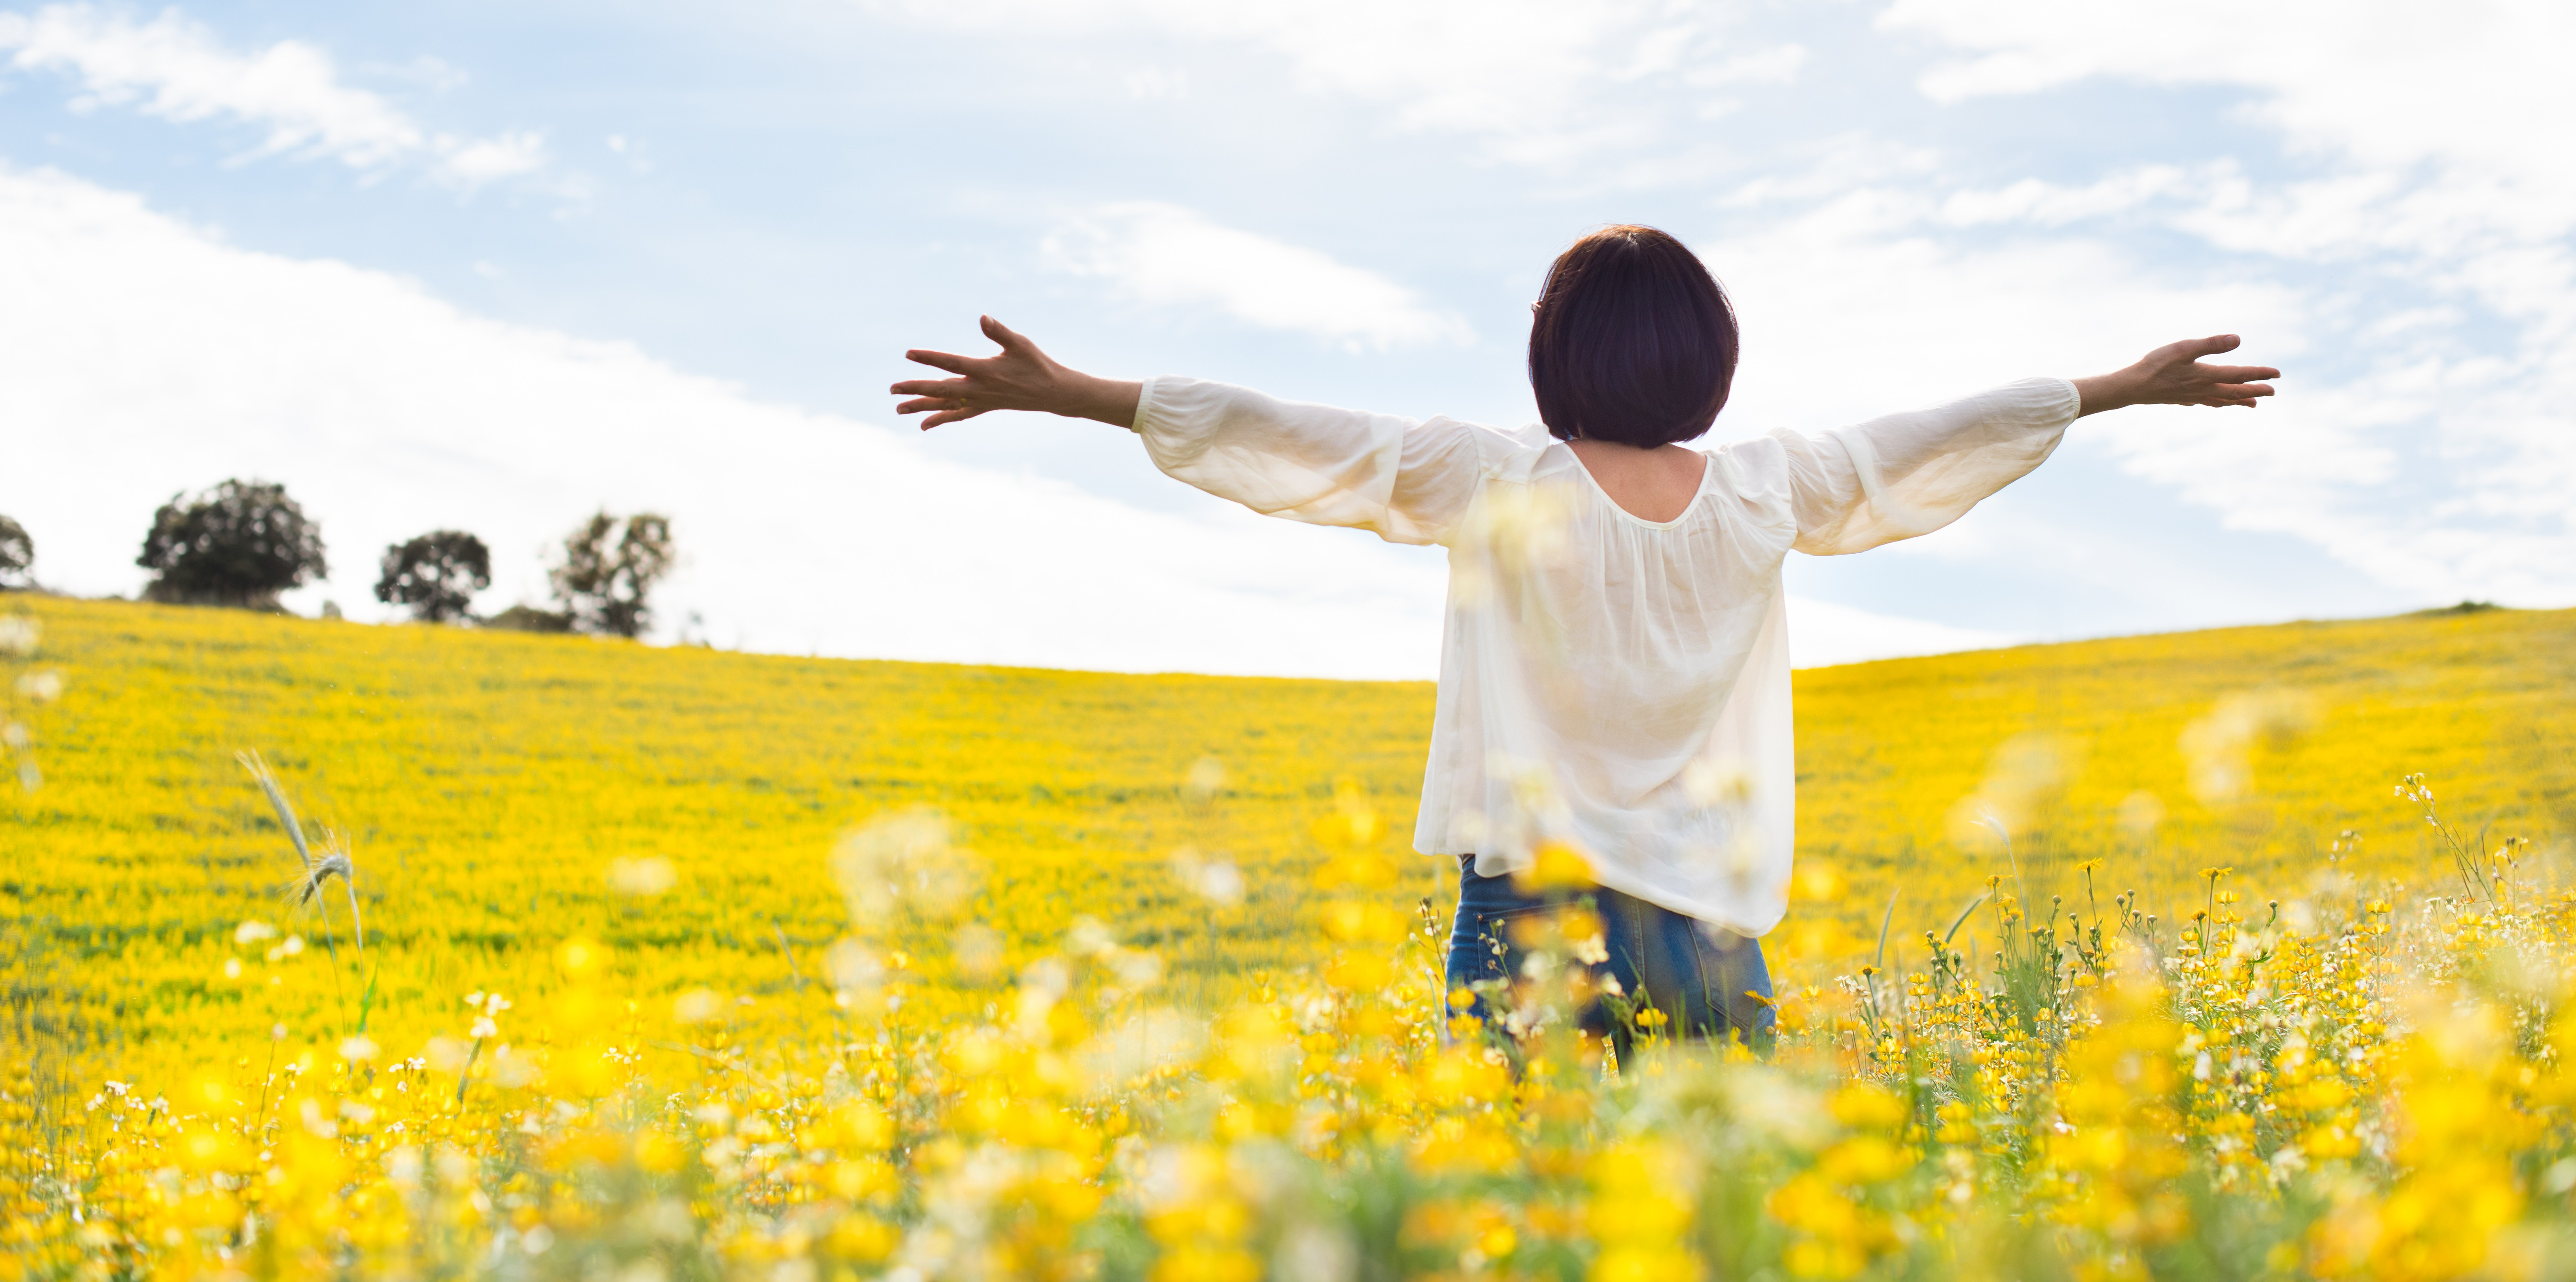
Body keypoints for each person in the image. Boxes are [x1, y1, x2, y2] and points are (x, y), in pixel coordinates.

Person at [890, 224, 2276, 1055]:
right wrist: (2114, 390)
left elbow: (1291, 436)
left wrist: (1076, 393)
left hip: (1528, 907)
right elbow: (1939, 437)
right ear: (1708, 356)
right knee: (1730, 1211)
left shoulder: (1497, 477)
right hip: (1708, 916)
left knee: (1512, 1213)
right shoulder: (1764, 490)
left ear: (1555, 353)